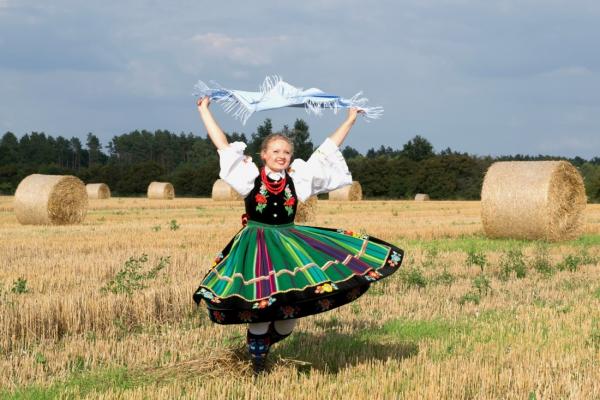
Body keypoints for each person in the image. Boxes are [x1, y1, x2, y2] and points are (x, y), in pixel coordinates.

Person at [193, 97, 404, 374]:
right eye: (276, 151)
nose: (282, 155)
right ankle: (257, 368)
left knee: (286, 321)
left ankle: (260, 346)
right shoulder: (248, 177)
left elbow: (327, 150)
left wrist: (350, 119)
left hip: (291, 244)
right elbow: (222, 144)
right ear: (264, 155)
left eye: (287, 152)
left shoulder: (299, 179)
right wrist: (204, 110)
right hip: (256, 246)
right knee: (259, 312)